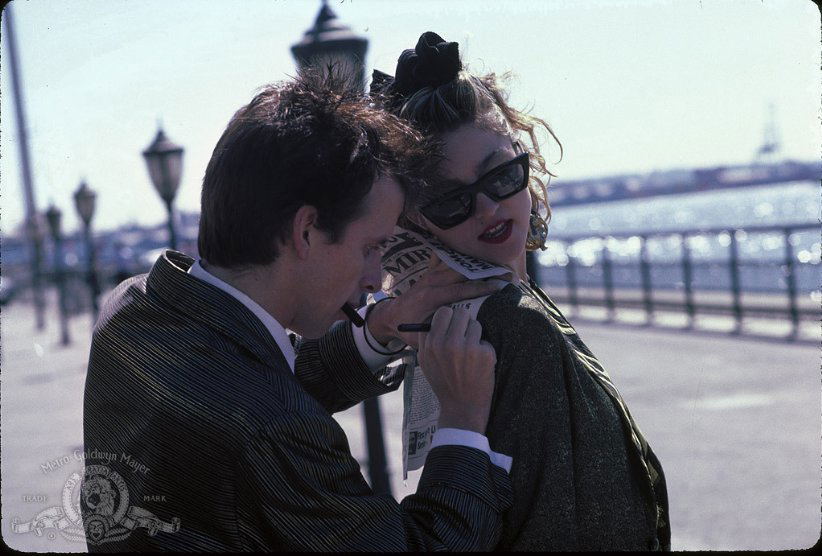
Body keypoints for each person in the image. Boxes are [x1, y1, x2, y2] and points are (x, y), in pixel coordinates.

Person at [82, 71, 512, 551]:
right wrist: (462, 421)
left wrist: (376, 331)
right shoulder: (274, 431)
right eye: (371, 247)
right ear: (305, 231)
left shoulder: (132, 309)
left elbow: (241, 378)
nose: (376, 279)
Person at [370, 32, 671, 551]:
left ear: (524, 158)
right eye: (451, 200)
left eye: (500, 175)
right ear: (414, 219)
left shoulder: (494, 309)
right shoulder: (512, 322)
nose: (488, 208)